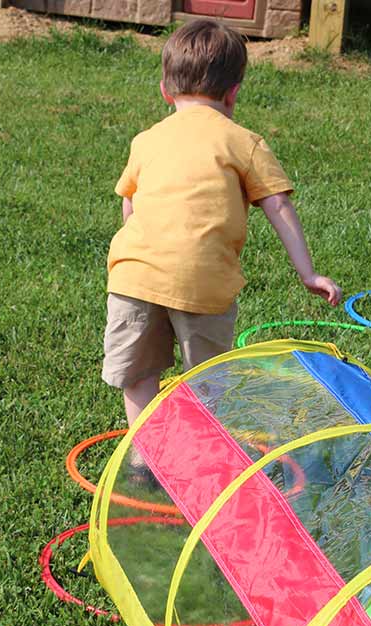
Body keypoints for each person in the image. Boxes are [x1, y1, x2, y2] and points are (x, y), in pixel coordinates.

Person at [102, 18, 342, 436]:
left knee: (138, 375)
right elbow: (278, 204)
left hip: (132, 277)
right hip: (202, 280)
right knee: (207, 380)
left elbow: (130, 202)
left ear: (165, 90)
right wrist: (308, 272)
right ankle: (200, 452)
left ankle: (143, 457)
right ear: (233, 93)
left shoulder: (147, 139)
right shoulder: (243, 142)